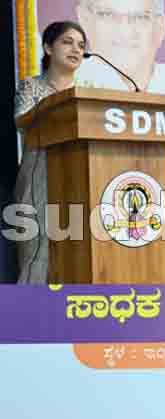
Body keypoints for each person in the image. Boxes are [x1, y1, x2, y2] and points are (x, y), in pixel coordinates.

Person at [12, 21, 87, 283]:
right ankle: (28, 306)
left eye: (81, 45)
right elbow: (22, 122)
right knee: (37, 255)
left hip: (79, 180)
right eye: (67, 42)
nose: (76, 49)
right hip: (39, 177)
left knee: (79, 253)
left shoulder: (87, 92)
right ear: (47, 48)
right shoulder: (31, 87)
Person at [75, 0, 165, 91]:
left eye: (140, 17)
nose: (124, 32)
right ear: (84, 20)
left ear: (160, 27)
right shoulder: (70, 81)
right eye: (107, 15)